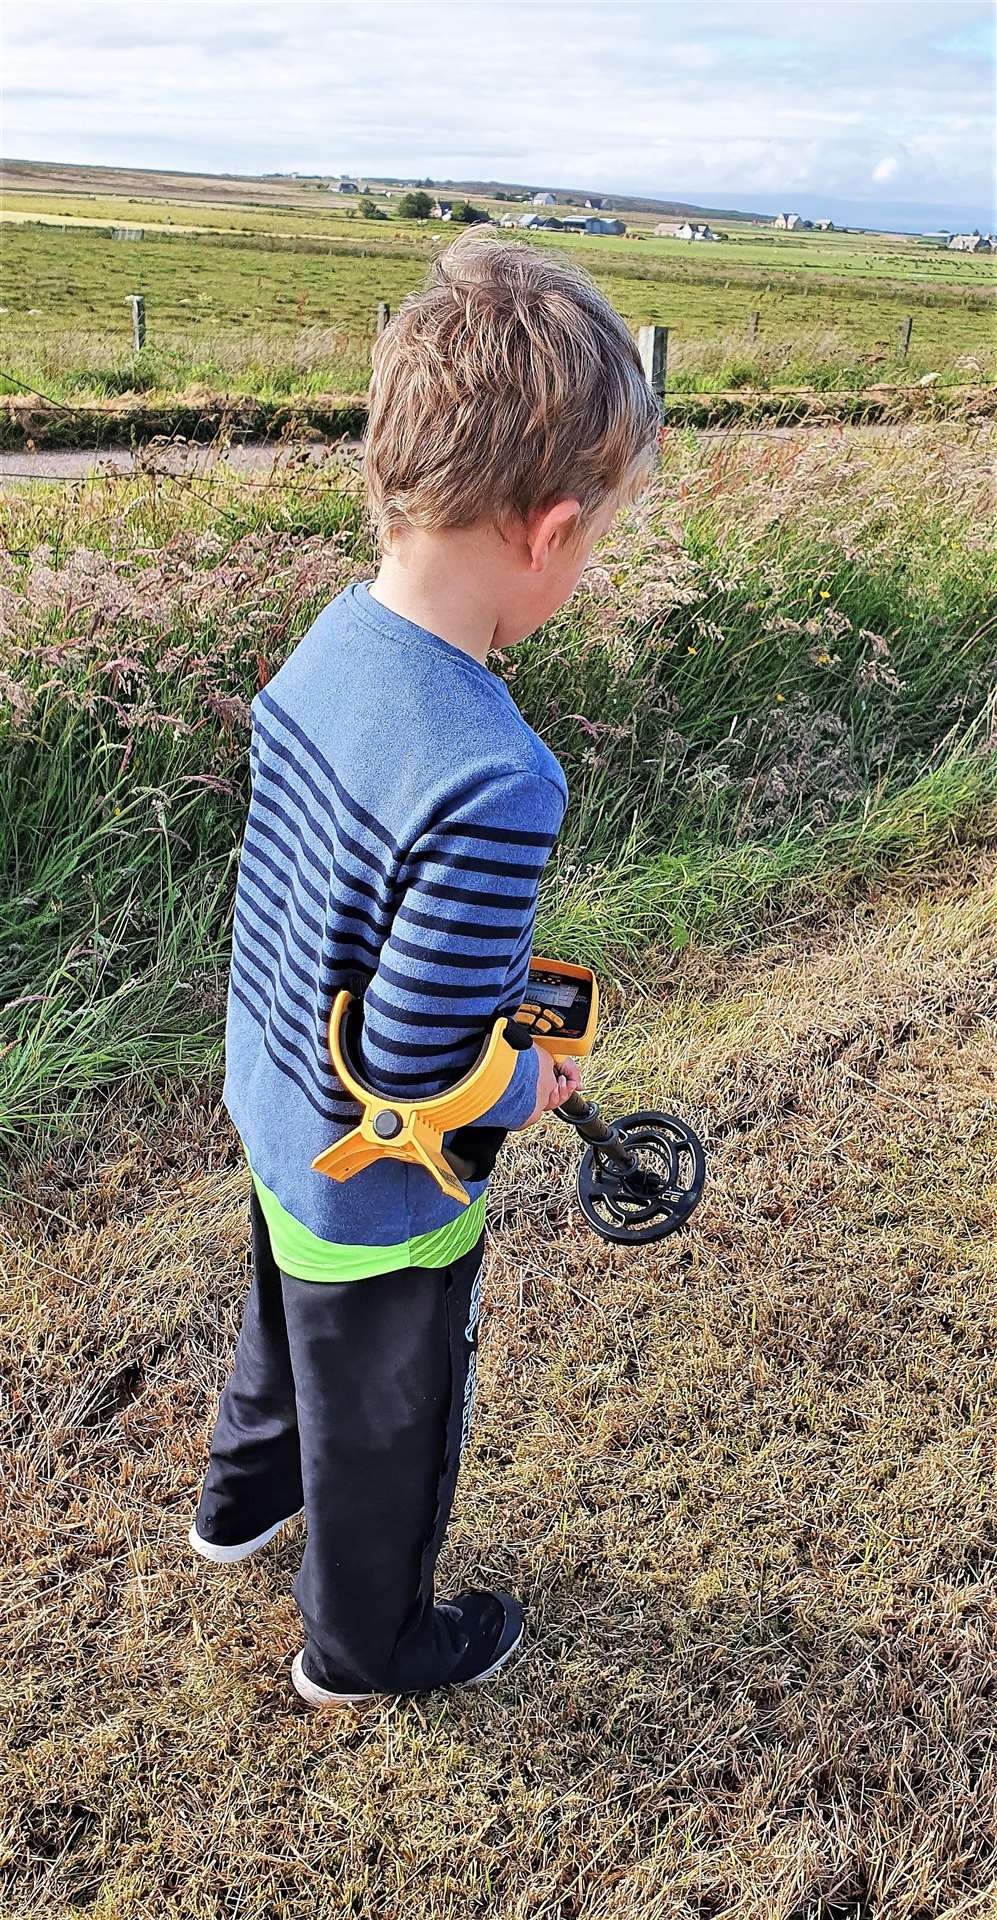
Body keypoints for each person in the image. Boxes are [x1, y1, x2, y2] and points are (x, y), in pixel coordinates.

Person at [189, 231, 660, 1707]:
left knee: (284, 1319)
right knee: (389, 1414)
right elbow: (410, 1064)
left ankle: (237, 1504)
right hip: (377, 1176)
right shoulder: (494, 770)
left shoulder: (332, 638)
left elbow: (336, 904)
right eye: (597, 544)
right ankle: (368, 1643)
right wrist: (528, 1078)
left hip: (270, 1107)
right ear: (553, 529)